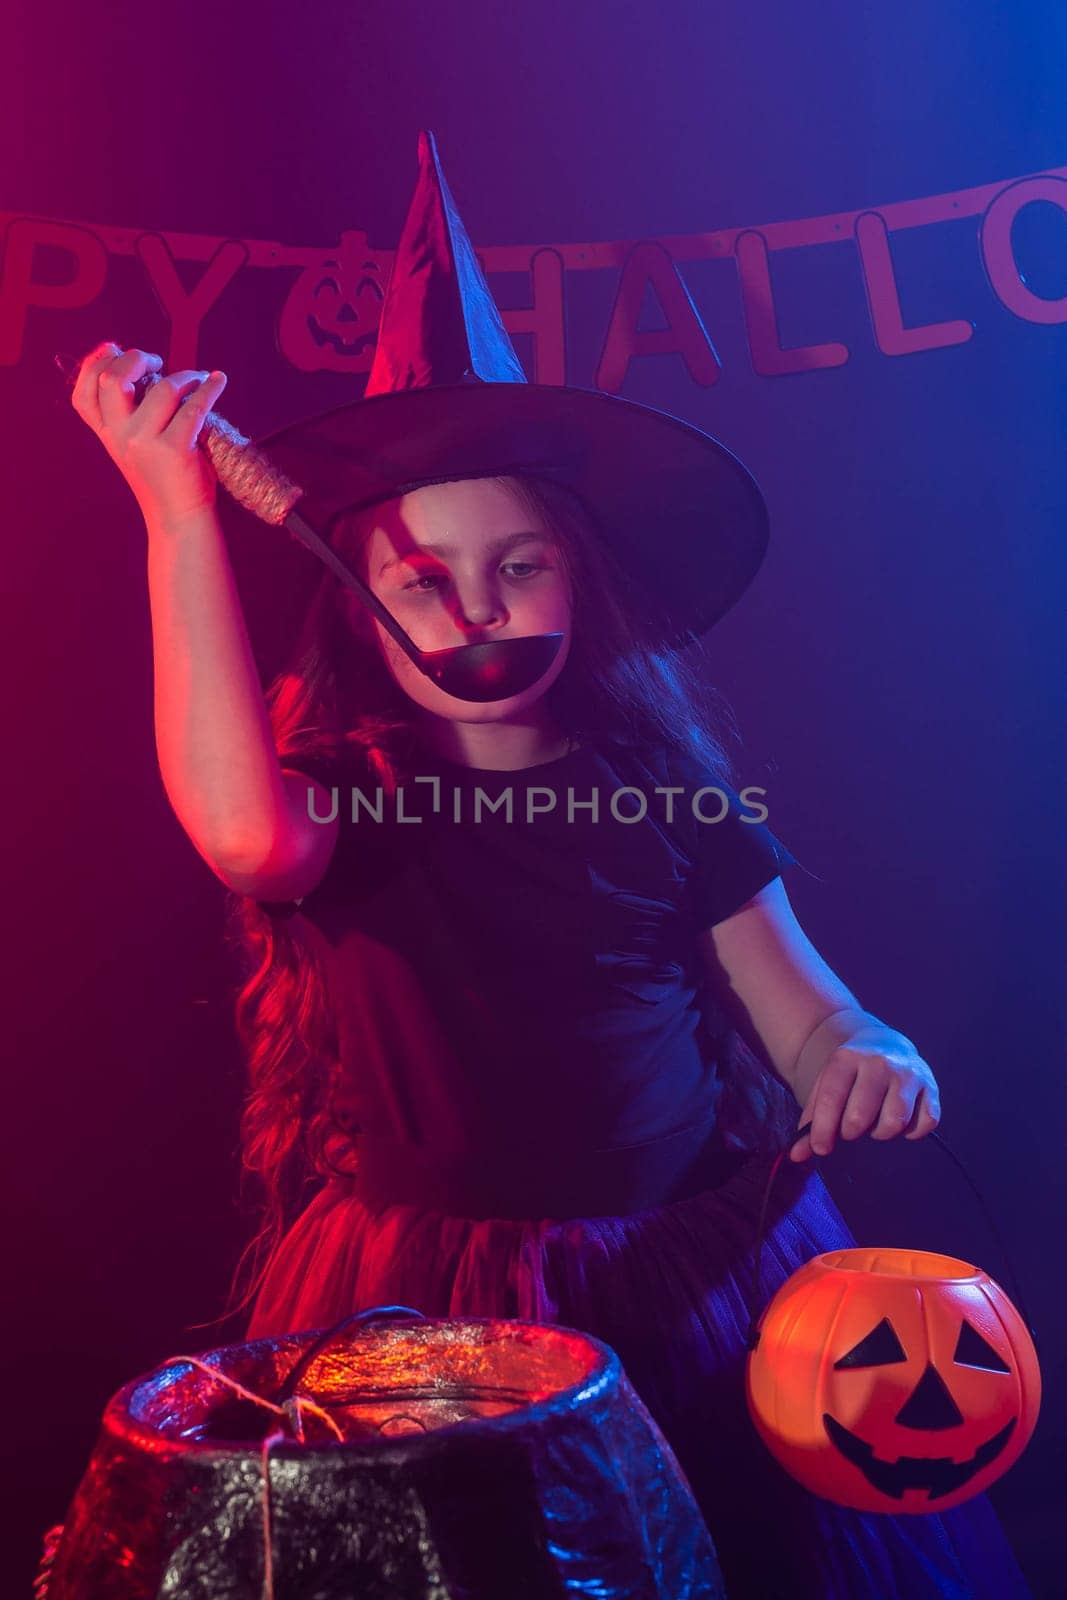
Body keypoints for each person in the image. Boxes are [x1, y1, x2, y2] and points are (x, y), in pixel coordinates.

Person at [70, 132, 1032, 1599]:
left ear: (582, 578)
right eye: (421, 576)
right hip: (423, 1306)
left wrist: (864, 1049)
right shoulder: (347, 801)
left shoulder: (673, 799)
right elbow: (243, 836)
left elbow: (806, 1009)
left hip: (688, 1279)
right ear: (366, 604)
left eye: (518, 565)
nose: (475, 609)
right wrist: (175, 512)